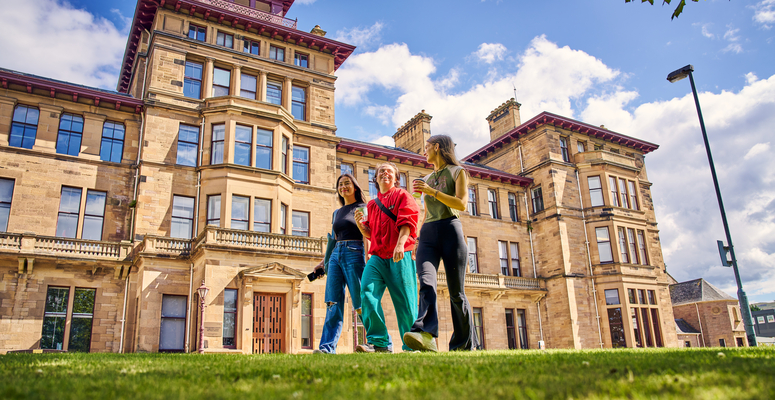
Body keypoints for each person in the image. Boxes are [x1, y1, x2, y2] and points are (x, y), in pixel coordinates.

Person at [404, 135, 475, 352]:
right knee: (426, 282)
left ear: (437, 147)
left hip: (450, 230)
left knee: (456, 294)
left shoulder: (458, 172)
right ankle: (425, 334)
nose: (424, 152)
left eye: (426, 147)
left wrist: (432, 191)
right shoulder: (426, 177)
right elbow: (426, 212)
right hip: (428, 233)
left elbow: (461, 204)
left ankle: (462, 345)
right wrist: (417, 239)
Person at [354, 162, 420, 353]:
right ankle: (379, 342)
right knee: (366, 292)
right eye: (381, 171)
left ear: (395, 177)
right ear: (375, 178)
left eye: (389, 171)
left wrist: (400, 244)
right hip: (377, 257)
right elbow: (371, 232)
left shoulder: (402, 195)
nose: (385, 174)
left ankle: (411, 344)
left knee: (405, 301)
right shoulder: (372, 205)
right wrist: (360, 225)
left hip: (400, 254)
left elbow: (408, 221)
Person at [312, 173, 367, 354]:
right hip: (336, 256)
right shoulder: (337, 212)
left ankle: (378, 341)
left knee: (361, 301)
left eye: (347, 183)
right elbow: (334, 239)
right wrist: (323, 262)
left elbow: (368, 235)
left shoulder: (364, 208)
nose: (343, 187)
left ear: (355, 187)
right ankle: (327, 348)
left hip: (355, 253)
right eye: (340, 185)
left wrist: (369, 260)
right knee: (333, 302)